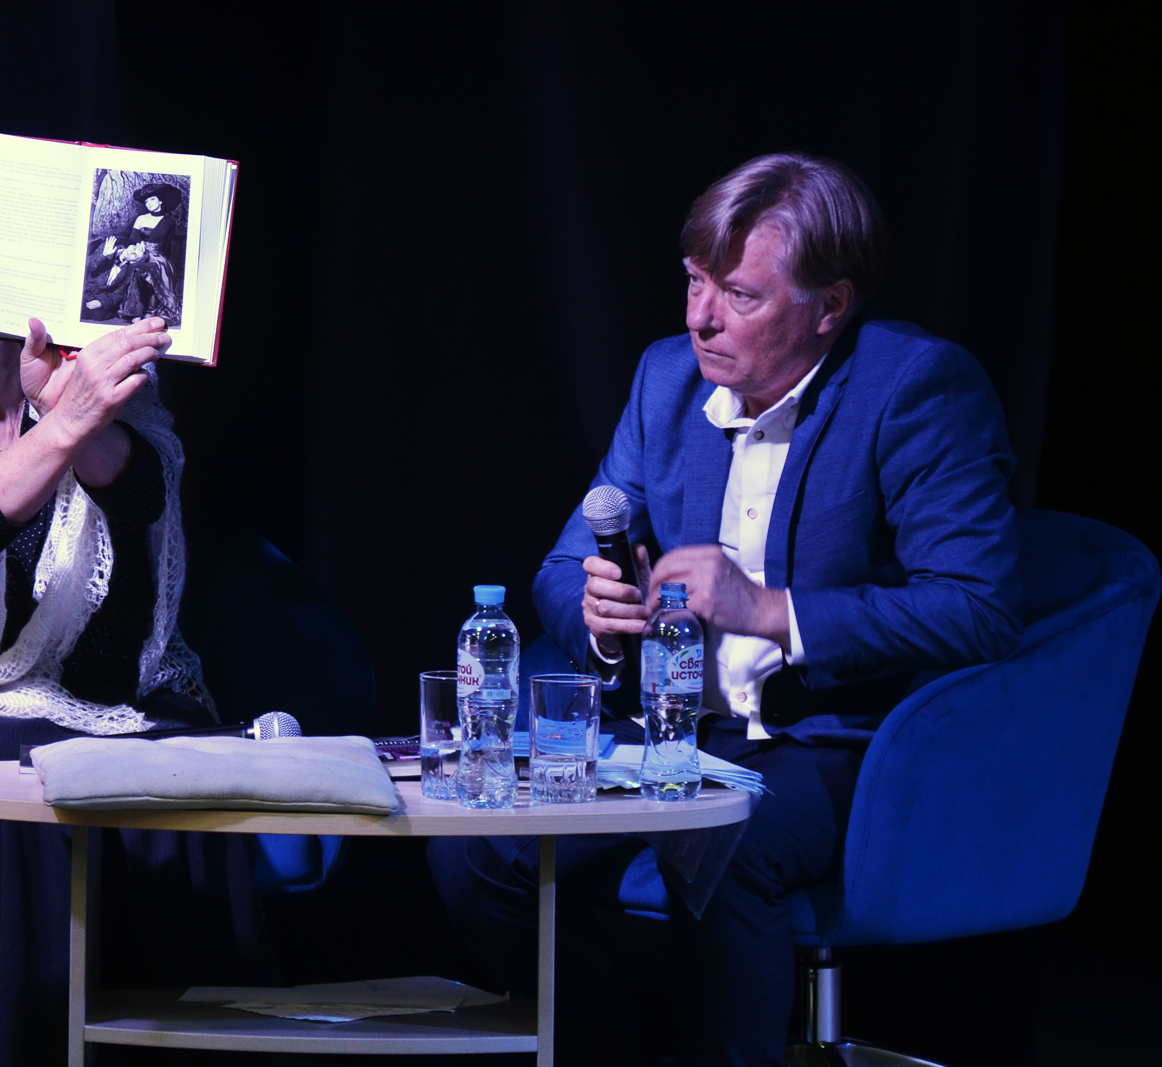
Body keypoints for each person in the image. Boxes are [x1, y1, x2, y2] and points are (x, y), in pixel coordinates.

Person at [429, 153, 1022, 1067]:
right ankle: (616, 1047)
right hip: (665, 727)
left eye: (739, 295)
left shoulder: (915, 387)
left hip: (823, 741)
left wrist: (770, 608)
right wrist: (601, 618)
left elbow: (978, 608)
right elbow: (562, 563)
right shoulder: (667, 378)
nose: (700, 317)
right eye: (694, 281)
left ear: (828, 307)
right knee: (476, 852)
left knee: (719, 838)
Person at [0, 158, 272, 1067]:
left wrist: (65, 408)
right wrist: (63, 427)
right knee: (19, 786)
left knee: (191, 766)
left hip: (111, 696)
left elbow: (144, 501)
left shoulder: (93, 381)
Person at [120, 181, 184, 324]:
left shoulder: (169, 222)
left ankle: (151, 309)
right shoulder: (141, 219)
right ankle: (135, 312)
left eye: (152, 199)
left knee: (146, 271)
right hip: (140, 255)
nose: (149, 203)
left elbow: (167, 246)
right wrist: (137, 247)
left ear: (160, 201)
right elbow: (132, 240)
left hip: (158, 259)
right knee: (135, 268)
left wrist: (168, 268)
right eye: (146, 201)